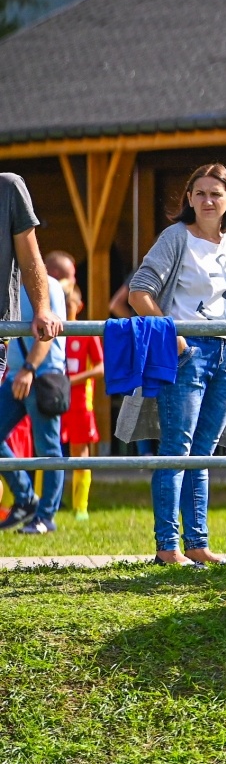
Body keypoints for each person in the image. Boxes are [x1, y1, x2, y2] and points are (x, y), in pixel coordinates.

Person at [127, 164, 226, 563]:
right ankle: (168, 546)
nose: (208, 200)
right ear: (189, 198)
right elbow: (140, 292)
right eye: (200, 193)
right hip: (188, 354)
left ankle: (199, 544)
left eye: (216, 193)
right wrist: (177, 339)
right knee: (178, 447)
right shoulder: (175, 238)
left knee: (204, 451)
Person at [0, 173, 66, 533]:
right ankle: (26, 499)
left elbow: (48, 332)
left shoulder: (49, 287)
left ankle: (46, 517)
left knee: (47, 449)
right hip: (14, 376)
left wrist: (27, 369)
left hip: (41, 375)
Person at [59, 284, 103, 521]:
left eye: (69, 305)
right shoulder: (54, 332)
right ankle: (47, 506)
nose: (65, 310)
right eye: (62, 305)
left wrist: (74, 380)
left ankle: (81, 507)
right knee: (47, 452)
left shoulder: (87, 332)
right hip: (55, 400)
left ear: (79, 305)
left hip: (79, 404)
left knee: (79, 452)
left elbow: (100, 367)